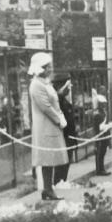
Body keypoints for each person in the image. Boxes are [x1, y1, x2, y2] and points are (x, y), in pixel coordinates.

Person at [28, 52, 68, 200]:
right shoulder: (36, 85)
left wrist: (59, 117)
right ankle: (48, 189)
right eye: (47, 66)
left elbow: (52, 101)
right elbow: (45, 107)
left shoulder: (44, 82)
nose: (50, 69)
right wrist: (59, 119)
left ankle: (48, 188)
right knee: (46, 158)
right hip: (45, 127)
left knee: (49, 159)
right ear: (41, 68)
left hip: (50, 125)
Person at [51, 73, 77, 183]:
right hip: (63, 138)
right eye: (68, 85)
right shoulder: (58, 101)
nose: (70, 88)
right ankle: (58, 184)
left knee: (66, 165)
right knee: (61, 165)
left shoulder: (64, 101)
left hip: (69, 138)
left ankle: (62, 183)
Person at [91, 92, 110, 175]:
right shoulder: (97, 114)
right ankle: (99, 170)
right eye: (102, 104)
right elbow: (98, 127)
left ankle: (101, 169)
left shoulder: (102, 112)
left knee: (103, 152)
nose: (104, 105)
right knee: (100, 152)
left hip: (104, 135)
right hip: (100, 135)